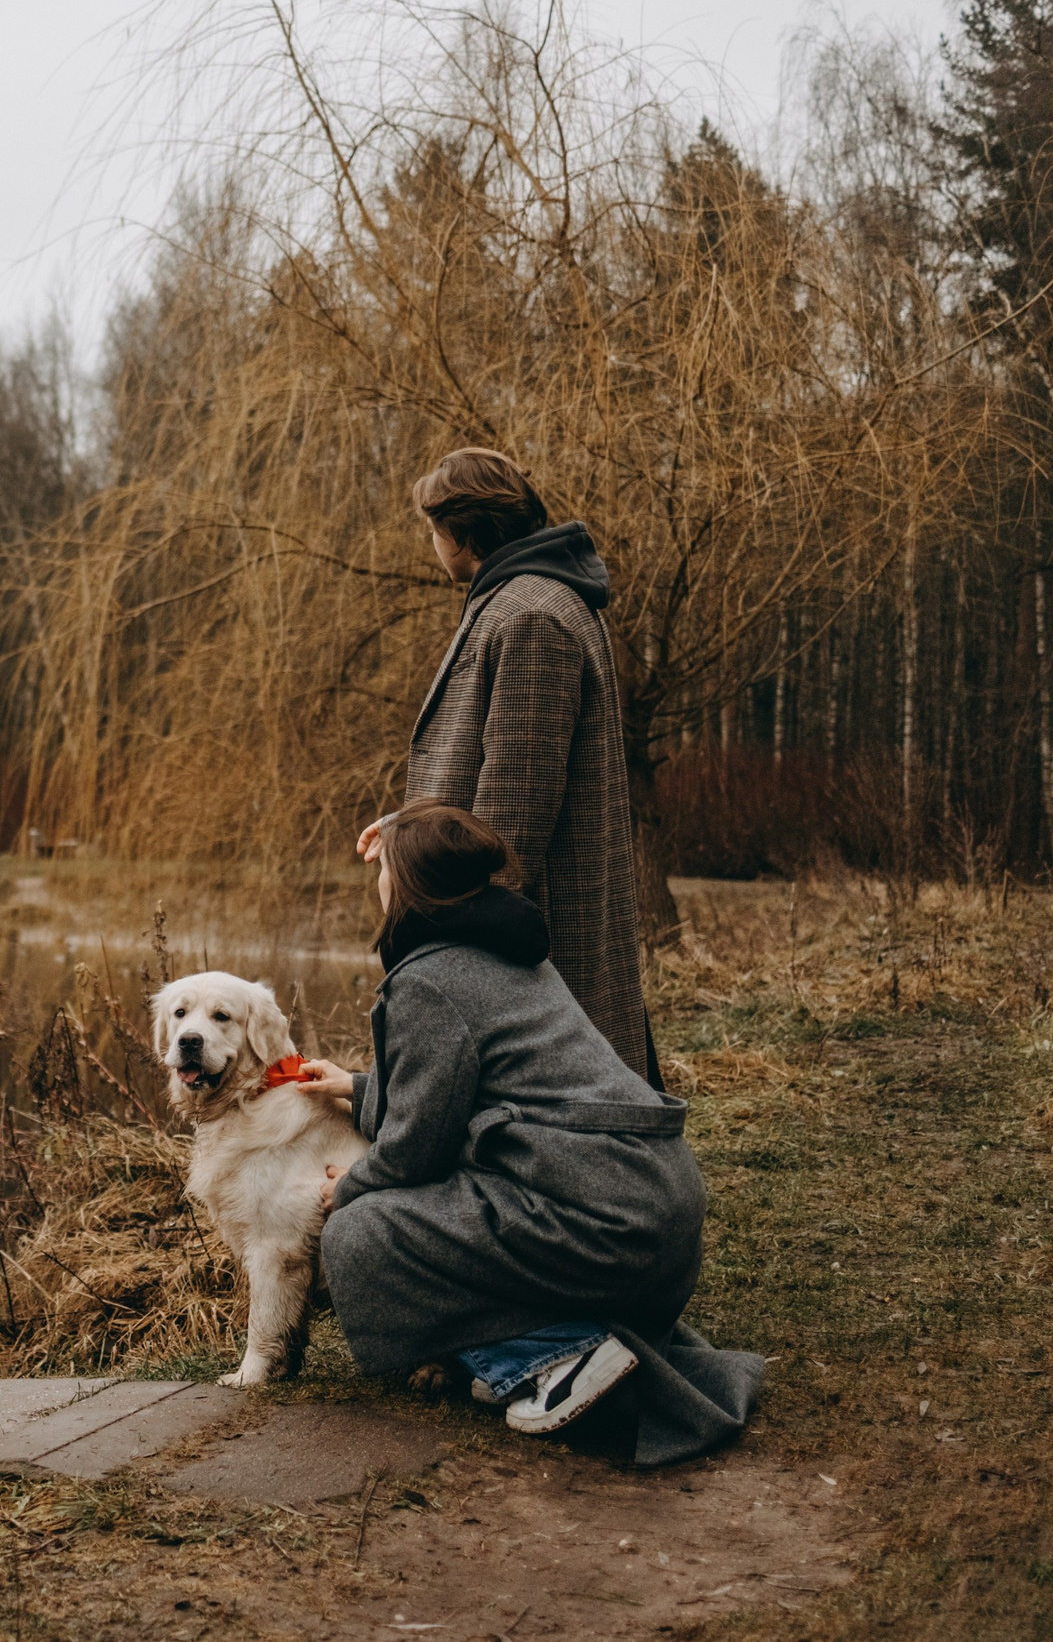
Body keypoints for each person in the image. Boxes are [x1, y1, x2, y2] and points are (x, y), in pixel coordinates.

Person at [299, 802, 760, 1463]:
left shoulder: (430, 978)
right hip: (653, 1210)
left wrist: (355, 1183)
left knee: (361, 1233)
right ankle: (558, 1345)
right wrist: (357, 1086)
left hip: (601, 1220)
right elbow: (475, 1088)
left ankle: (555, 1358)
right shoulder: (503, 947)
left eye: (386, 865)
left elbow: (416, 1148)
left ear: (402, 880)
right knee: (414, 1210)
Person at [358, 448, 657, 1085]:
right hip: (516, 935)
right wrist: (403, 828)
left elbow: (511, 822)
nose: (431, 542)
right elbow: (485, 765)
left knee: (567, 1120)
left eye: (434, 528)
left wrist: (465, 931)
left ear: (462, 531)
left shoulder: (529, 617)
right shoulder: (519, 598)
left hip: (537, 938)